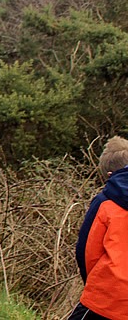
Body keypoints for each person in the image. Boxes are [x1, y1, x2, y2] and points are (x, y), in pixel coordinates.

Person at [68, 135, 128, 320]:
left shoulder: (105, 202)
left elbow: (87, 252)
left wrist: (93, 284)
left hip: (109, 297)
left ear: (110, 176)